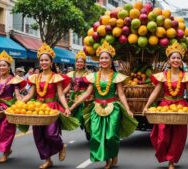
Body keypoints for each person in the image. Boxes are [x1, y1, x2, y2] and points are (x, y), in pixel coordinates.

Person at [70, 41, 137, 169]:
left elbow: (121, 94)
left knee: (111, 135)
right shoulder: (93, 76)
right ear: (98, 60)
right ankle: (107, 160)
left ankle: (113, 154)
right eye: (101, 58)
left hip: (113, 109)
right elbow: (86, 94)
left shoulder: (117, 76)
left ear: (111, 60)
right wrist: (72, 107)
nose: (103, 60)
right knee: (96, 136)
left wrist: (127, 109)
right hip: (96, 108)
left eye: (106, 58)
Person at [143, 42, 188, 169]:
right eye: (173, 58)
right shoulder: (162, 76)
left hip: (181, 106)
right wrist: (146, 106)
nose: (176, 60)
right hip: (165, 105)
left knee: (178, 136)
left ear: (181, 61)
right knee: (162, 135)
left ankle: (171, 160)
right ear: (168, 60)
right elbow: (155, 92)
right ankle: (165, 155)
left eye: (178, 58)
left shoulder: (186, 76)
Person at [22, 43, 71, 169]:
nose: (43, 62)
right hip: (38, 109)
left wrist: (66, 108)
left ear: (51, 62)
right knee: (38, 136)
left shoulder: (56, 77)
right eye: (41, 60)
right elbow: (30, 94)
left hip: (52, 109)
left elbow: (60, 95)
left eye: (46, 60)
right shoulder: (35, 77)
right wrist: (20, 104)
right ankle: (47, 160)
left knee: (51, 134)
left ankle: (61, 146)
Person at [64, 51, 91, 131]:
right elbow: (69, 86)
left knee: (85, 117)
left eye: (81, 62)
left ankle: (89, 130)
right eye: (78, 62)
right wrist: (60, 95)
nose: (79, 63)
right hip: (74, 97)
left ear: (84, 63)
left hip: (85, 97)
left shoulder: (88, 74)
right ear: (75, 63)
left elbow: (91, 88)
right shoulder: (72, 74)